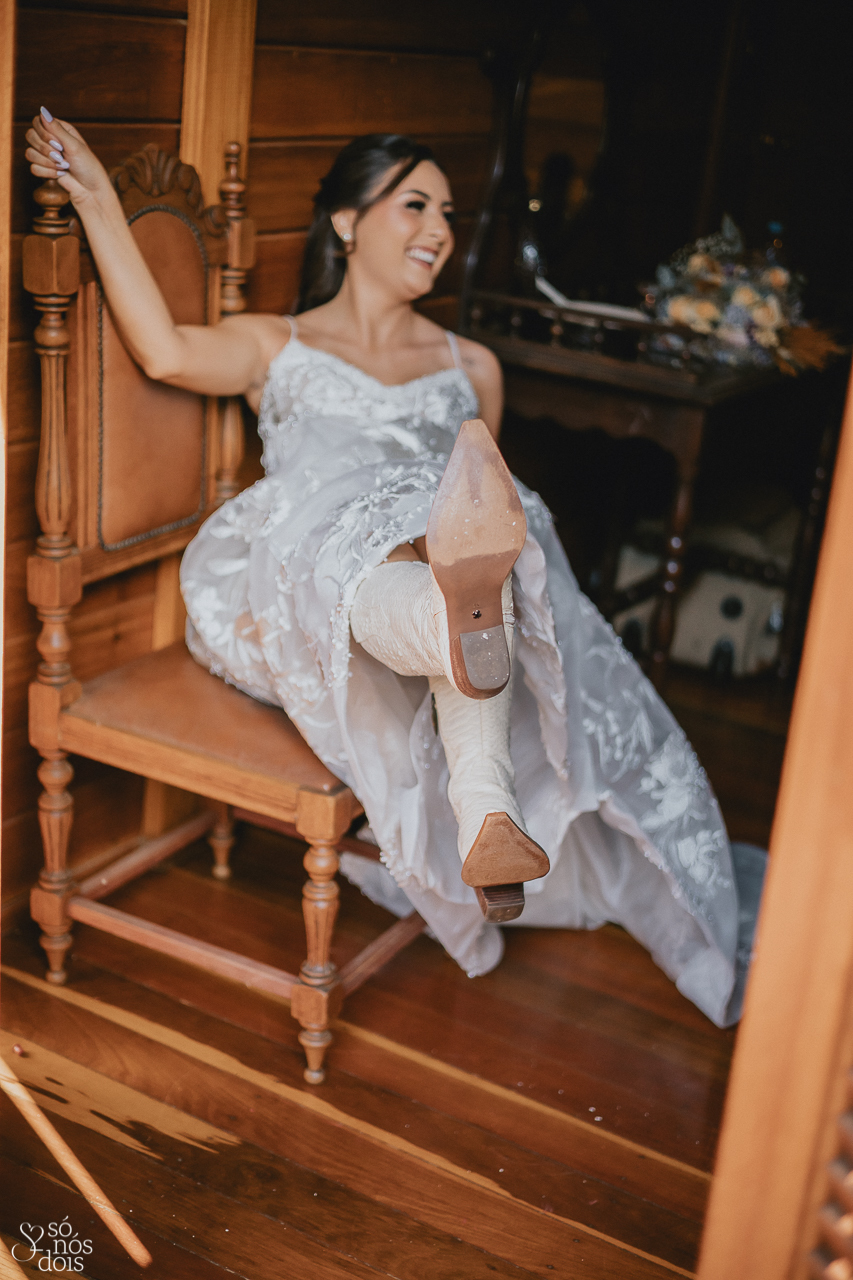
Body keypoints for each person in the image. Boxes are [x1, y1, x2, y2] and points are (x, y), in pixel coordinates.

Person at [26, 111, 763, 1027]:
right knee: (374, 528)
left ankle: (483, 793)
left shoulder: (471, 367)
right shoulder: (275, 345)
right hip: (291, 598)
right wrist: (95, 195)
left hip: (430, 596)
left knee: (459, 540)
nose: (439, 230)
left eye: (448, 213)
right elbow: (163, 348)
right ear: (345, 221)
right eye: (415, 204)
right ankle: (468, 722)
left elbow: (474, 514)